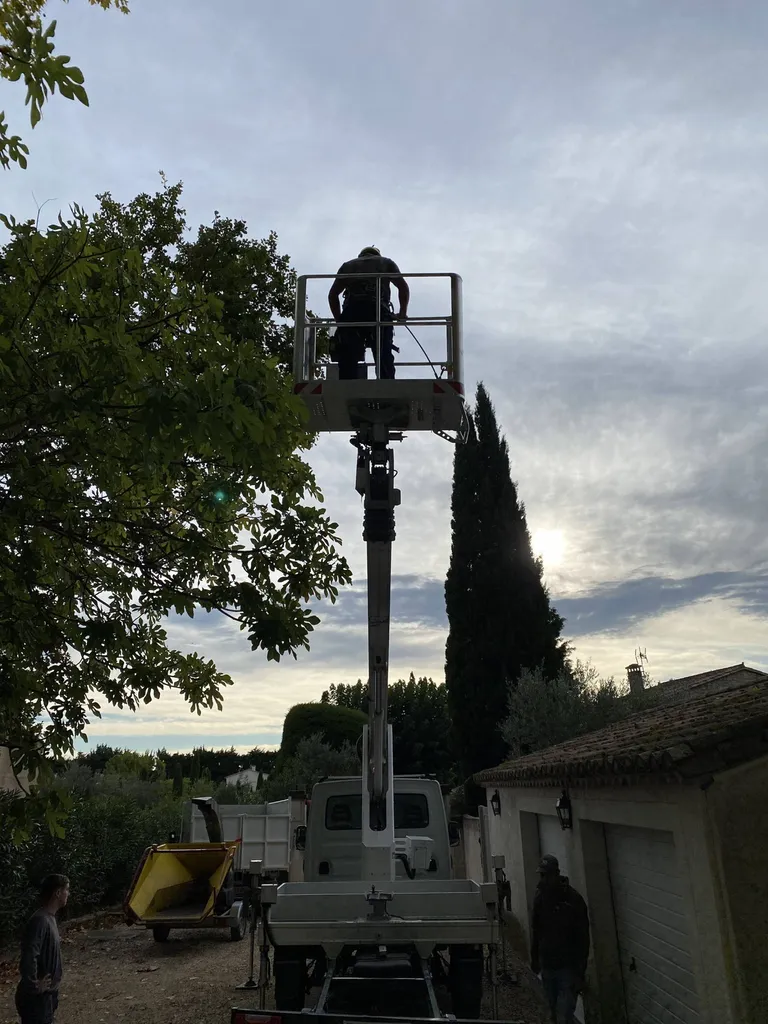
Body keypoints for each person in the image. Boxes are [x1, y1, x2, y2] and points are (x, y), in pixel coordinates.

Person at [328, 246, 410, 380]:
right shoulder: (386, 262)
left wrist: (340, 321)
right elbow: (403, 287)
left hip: (352, 313)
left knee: (348, 354)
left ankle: (347, 385)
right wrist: (402, 313)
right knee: (383, 352)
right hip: (379, 312)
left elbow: (332, 295)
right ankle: (387, 384)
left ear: (361, 255)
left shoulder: (348, 266)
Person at [530, 855, 589, 1024]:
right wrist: (535, 959)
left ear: (556, 874)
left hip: (567, 969)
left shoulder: (573, 901)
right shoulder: (540, 898)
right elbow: (536, 930)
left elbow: (583, 939)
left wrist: (580, 972)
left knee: (564, 1016)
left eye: (546, 875)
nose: (543, 879)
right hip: (548, 966)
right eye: (541, 875)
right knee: (551, 1015)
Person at [15, 874, 69, 1024]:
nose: (68, 894)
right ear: (57, 893)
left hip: (46, 997)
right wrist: (34, 985)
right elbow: (29, 955)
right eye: (67, 890)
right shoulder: (40, 920)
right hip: (37, 999)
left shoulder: (49, 918)